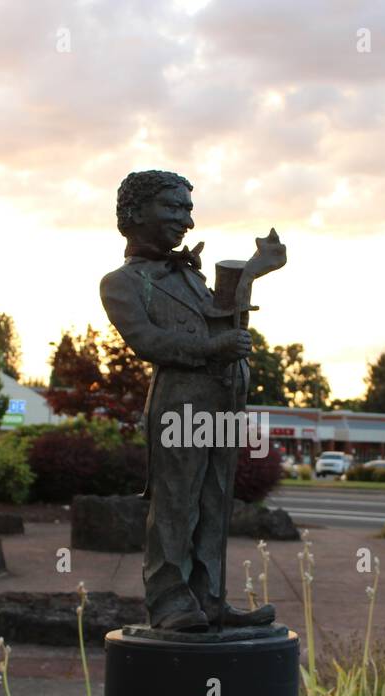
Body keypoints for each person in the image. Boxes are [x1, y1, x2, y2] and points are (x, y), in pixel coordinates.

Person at [100, 170, 276, 632]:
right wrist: (214, 350)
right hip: (179, 408)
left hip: (222, 404)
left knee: (215, 504)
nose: (187, 222)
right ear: (135, 213)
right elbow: (148, 340)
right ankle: (169, 601)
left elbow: (221, 321)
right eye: (174, 208)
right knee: (176, 503)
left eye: (188, 210)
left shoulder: (192, 278)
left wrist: (254, 271)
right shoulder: (120, 283)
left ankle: (209, 598)